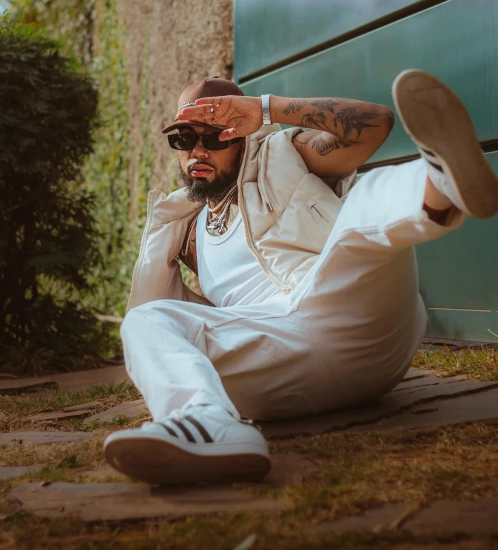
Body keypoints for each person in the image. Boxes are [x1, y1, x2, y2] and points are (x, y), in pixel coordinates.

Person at [104, 70, 498, 485]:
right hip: (278, 362)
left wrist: (265, 109)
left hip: (350, 316)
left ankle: (440, 185)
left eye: (216, 135)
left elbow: (376, 123)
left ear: (240, 134)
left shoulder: (282, 156)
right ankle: (208, 423)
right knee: (146, 320)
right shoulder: (185, 233)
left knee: (360, 207)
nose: (198, 150)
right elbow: (202, 324)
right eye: (185, 139)